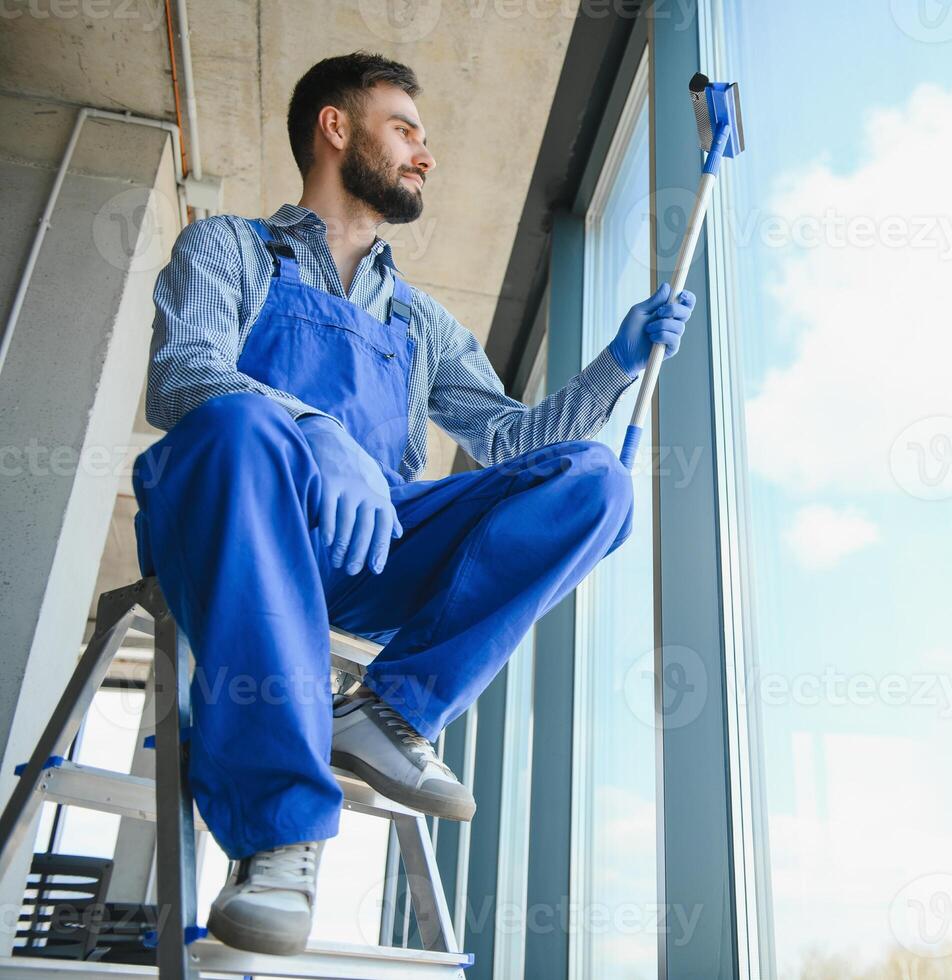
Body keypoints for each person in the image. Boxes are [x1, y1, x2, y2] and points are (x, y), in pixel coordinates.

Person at [131, 51, 694, 956]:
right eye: (405, 130)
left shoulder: (422, 323)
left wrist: (615, 365)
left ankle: (388, 714)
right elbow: (183, 375)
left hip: (367, 545)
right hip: (232, 516)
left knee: (594, 482)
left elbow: (512, 442)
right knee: (241, 429)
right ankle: (279, 837)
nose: (425, 155)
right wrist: (315, 429)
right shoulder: (230, 248)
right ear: (335, 127)